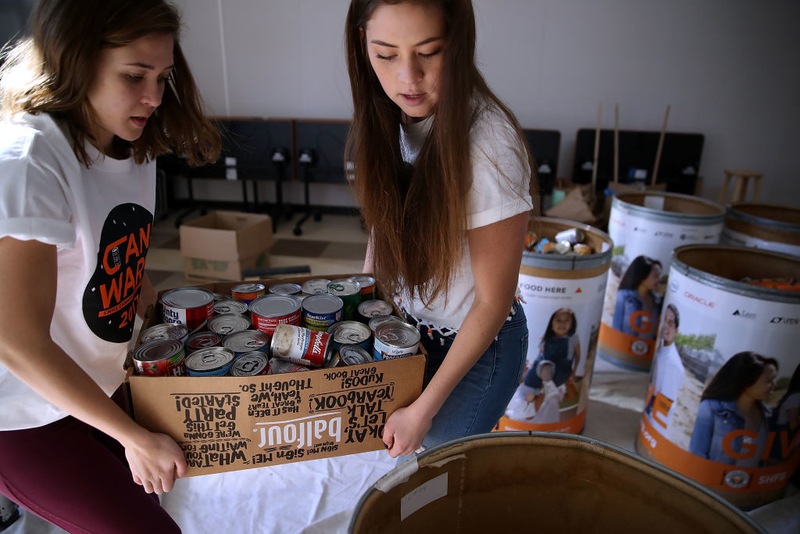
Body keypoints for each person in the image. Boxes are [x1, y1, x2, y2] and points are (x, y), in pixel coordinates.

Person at [0, 1, 220, 532]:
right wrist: (132, 436)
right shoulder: (30, 159)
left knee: (151, 504)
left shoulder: (128, 143)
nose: (153, 97)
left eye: (163, 77)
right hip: (25, 416)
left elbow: (115, 265)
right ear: (74, 61)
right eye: (134, 75)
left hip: (99, 383)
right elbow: (14, 340)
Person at [345, 0, 534, 459]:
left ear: (459, 44)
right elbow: (383, 226)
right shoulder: (388, 114)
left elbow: (493, 301)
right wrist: (365, 301)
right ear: (362, 46)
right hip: (409, 330)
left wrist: (424, 409)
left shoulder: (489, 145)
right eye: (386, 55)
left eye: (429, 52)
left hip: (475, 348)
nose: (408, 78)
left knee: (439, 470)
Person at [689, 352, 778, 467]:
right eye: (768, 380)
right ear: (746, 380)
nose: (774, 385)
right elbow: (697, 456)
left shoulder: (770, 415)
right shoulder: (710, 408)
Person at [645, 304, 685, 435]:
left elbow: (664, 406)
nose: (666, 327)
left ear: (676, 330)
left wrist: (653, 433)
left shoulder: (673, 364)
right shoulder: (662, 349)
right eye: (665, 321)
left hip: (655, 424)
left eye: (671, 323)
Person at [612, 255, 662, 339]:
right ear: (642, 277)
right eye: (655, 276)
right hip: (622, 347)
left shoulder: (658, 301)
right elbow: (616, 327)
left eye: (659, 275)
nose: (659, 279)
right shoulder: (624, 296)